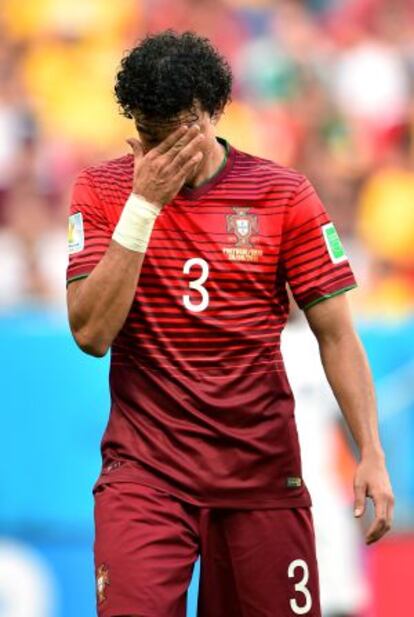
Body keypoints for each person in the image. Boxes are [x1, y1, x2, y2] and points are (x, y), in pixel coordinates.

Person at [66, 31, 394, 617]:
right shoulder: (104, 190)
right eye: (149, 137)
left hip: (260, 476)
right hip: (146, 474)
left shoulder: (282, 195)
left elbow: (337, 333)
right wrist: (143, 207)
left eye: (178, 135)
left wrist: (371, 451)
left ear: (214, 113)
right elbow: (90, 335)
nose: (163, 155)